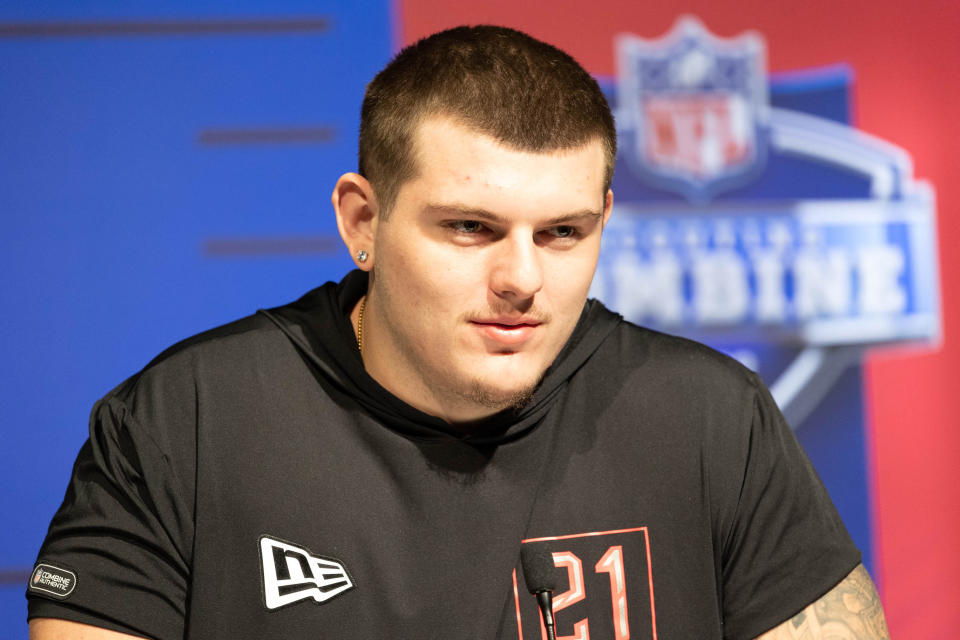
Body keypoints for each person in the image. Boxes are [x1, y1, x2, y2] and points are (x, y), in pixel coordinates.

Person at [27, 25, 889, 640]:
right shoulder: (187, 423)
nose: (521, 279)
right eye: (470, 228)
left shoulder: (708, 417)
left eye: (564, 232)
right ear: (362, 220)